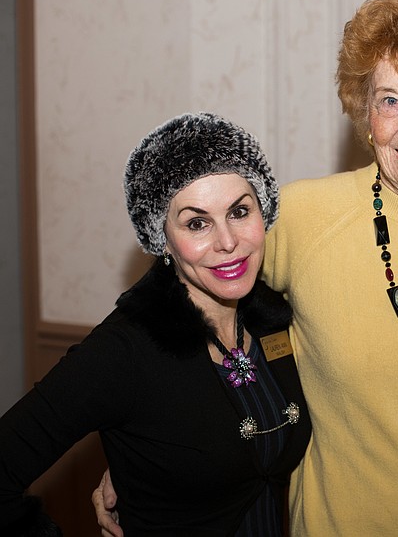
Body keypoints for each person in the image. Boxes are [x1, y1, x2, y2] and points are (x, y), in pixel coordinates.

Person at [97, 0, 398, 536]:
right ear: (366, 112)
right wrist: (146, 448)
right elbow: (183, 300)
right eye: (390, 100)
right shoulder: (306, 216)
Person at [0, 112, 311, 536]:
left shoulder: (274, 317)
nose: (227, 241)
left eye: (239, 211)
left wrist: (141, 465)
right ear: (161, 237)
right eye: (196, 223)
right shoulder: (125, 350)